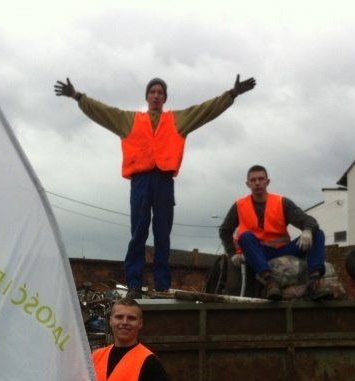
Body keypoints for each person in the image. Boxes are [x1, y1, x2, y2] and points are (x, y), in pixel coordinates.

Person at [54, 75, 256, 298]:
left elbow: (206, 110)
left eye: (160, 92)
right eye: (153, 92)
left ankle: (162, 285)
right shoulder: (130, 120)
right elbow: (103, 111)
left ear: (165, 98)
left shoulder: (177, 120)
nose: (156, 95)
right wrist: (77, 96)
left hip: (164, 181)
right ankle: (134, 283)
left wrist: (232, 94)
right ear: (147, 97)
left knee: (162, 234)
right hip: (141, 181)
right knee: (138, 232)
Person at [218, 164, 332, 301]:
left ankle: (314, 282)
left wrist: (307, 231)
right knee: (245, 237)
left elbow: (307, 220)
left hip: (284, 249)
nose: (257, 183)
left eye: (261, 179)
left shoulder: (281, 202)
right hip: (259, 253)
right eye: (253, 180)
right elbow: (225, 230)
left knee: (317, 233)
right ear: (248, 184)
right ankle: (270, 283)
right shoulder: (240, 205)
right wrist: (232, 254)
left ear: (268, 182)